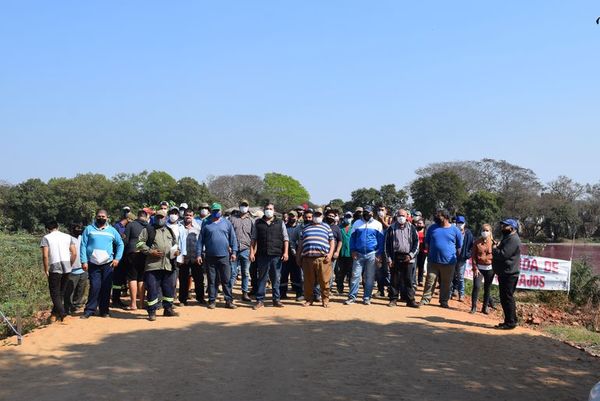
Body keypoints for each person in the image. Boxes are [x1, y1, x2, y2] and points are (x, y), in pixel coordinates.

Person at [80, 210, 124, 319]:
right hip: (93, 263)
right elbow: (83, 245)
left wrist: (117, 259)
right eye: (99, 216)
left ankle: (104, 310)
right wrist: (84, 260)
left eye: (103, 216)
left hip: (107, 263)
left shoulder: (112, 231)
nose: (101, 218)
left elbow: (120, 244)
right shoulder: (89, 229)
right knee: (95, 286)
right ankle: (90, 310)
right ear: (96, 217)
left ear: (107, 217)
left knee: (106, 287)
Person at [136, 209, 179, 321]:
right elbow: (140, 243)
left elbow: (175, 244)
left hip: (168, 265)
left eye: (162, 217)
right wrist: (151, 251)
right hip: (153, 265)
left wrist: (176, 251)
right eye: (158, 217)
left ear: (166, 218)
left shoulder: (169, 230)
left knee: (168, 289)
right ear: (155, 218)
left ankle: (168, 309)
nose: (160, 219)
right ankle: (152, 311)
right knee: (152, 289)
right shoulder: (148, 230)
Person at [195, 202, 238, 309]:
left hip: (224, 256)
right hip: (210, 256)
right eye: (214, 211)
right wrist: (198, 254)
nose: (216, 212)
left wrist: (234, 252)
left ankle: (229, 301)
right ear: (211, 211)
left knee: (226, 280)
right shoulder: (206, 223)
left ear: (221, 211)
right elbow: (200, 240)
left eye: (218, 210)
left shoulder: (226, 223)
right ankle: (212, 300)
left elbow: (233, 238)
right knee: (212, 280)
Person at [419, 209, 462, 308]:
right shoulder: (432, 228)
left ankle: (444, 301)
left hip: (448, 263)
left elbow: (459, 247)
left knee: (446, 283)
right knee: (430, 281)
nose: (436, 218)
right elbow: (426, 243)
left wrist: (457, 260)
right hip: (433, 261)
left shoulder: (455, 230)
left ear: (446, 217)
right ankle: (425, 299)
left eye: (439, 216)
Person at [250, 202, 289, 309]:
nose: (269, 210)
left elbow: (286, 239)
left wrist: (285, 252)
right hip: (262, 255)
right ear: (263, 210)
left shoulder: (280, 222)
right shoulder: (258, 223)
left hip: (276, 255)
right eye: (267, 208)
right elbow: (253, 239)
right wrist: (252, 252)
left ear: (274, 210)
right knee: (262, 278)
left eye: (270, 208)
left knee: (276, 278)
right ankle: (260, 300)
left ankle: (276, 300)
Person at [344, 207, 384, 305]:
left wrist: (379, 254)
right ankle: (352, 297)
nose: (367, 214)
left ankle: (367, 297)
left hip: (372, 254)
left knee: (369, 277)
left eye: (369, 212)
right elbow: (352, 239)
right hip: (358, 254)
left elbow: (381, 241)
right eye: (365, 212)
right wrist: (352, 250)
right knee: (355, 276)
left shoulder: (377, 224)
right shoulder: (357, 223)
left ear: (372, 213)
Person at [296, 208, 335, 307]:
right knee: (308, 281)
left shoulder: (327, 227)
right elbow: (300, 243)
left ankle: (325, 300)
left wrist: (330, 254)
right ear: (313, 216)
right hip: (307, 258)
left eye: (319, 215)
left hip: (323, 258)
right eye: (316, 215)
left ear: (322, 216)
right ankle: (309, 300)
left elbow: (332, 241)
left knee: (324, 281)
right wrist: (298, 256)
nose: (317, 217)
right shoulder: (305, 227)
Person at [41, 220, 77, 322]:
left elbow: (45, 255)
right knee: (61, 291)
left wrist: (45, 269)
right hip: (67, 265)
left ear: (47, 229)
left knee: (54, 292)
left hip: (55, 265)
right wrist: (70, 264)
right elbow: (74, 253)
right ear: (58, 227)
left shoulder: (46, 238)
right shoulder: (67, 236)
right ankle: (55, 314)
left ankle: (62, 313)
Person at [384, 209, 420, 308]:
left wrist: (411, 255)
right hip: (395, 256)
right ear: (396, 216)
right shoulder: (391, 228)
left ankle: (410, 300)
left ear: (407, 216)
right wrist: (389, 259)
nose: (401, 217)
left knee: (409, 280)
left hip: (408, 257)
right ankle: (393, 299)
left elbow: (417, 243)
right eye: (399, 215)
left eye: (403, 215)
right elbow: (386, 245)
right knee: (394, 279)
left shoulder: (412, 228)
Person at [492, 219, 521, 329]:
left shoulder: (513, 239)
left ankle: (510, 322)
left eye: (505, 226)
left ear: (512, 228)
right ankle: (511, 319)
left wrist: (494, 249)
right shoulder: (508, 238)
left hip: (509, 273)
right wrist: (499, 245)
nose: (503, 227)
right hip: (506, 272)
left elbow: (503, 254)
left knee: (507, 298)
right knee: (506, 297)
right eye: (502, 225)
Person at [178, 209, 205, 305]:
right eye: (186, 215)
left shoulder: (198, 227)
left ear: (193, 216)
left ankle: (200, 298)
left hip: (196, 256)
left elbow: (201, 241)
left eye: (190, 215)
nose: (188, 216)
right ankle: (182, 300)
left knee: (199, 279)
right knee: (183, 279)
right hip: (183, 257)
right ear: (183, 216)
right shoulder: (179, 226)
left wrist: (200, 254)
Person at [123, 209, 149, 310]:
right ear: (146, 217)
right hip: (144, 254)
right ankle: (141, 304)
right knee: (141, 278)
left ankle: (133, 304)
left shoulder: (131, 225)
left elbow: (125, 240)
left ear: (137, 216)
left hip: (132, 253)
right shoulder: (148, 226)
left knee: (132, 278)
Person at [229, 199, 255, 302]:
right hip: (233, 250)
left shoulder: (252, 221)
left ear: (248, 207)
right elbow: (227, 233)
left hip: (246, 249)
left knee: (245, 272)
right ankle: (229, 292)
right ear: (239, 206)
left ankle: (245, 293)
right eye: (242, 205)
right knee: (233, 273)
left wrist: (252, 251)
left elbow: (254, 238)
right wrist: (229, 246)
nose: (244, 207)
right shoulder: (232, 219)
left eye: (246, 205)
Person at [470, 223, 495, 314]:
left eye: (487, 230)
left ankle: (485, 308)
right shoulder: (477, 242)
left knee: (487, 288)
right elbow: (473, 256)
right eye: (483, 230)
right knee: (476, 286)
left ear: (490, 232)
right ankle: (473, 307)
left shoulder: (493, 243)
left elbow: (496, 257)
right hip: (479, 269)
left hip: (490, 269)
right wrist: (475, 268)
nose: (485, 232)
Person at [64, 223, 87, 315]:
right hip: (72, 269)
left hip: (83, 268)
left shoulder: (83, 238)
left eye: (80, 228)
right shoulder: (68, 239)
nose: (79, 229)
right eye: (77, 228)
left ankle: (76, 305)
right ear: (72, 229)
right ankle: (67, 307)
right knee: (70, 289)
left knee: (81, 288)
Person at [111, 212, 133, 309]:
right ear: (128, 219)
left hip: (123, 257)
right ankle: (115, 300)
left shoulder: (126, 228)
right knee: (116, 279)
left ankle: (117, 299)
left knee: (120, 280)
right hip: (116, 258)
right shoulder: (116, 227)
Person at [280, 211, 304, 301]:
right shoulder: (283, 227)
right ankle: (282, 293)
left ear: (297, 217)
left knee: (297, 275)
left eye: (293, 216)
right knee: (283, 275)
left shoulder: (300, 228)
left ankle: (299, 294)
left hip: (296, 255)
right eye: (290, 216)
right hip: (284, 255)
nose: (291, 218)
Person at [450, 215, 474, 302]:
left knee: (460, 276)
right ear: (456, 223)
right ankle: (451, 292)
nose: (460, 224)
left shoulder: (468, 234)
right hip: (452, 257)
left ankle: (462, 294)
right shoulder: (452, 232)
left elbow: (472, 246)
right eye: (458, 223)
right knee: (451, 276)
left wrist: (468, 255)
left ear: (465, 223)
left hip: (462, 258)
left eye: (461, 223)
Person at [335, 211, 354, 294]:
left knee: (351, 272)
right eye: (346, 217)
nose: (348, 219)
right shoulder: (339, 227)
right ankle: (340, 288)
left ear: (352, 218)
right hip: (341, 254)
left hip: (351, 254)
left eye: (349, 217)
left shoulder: (354, 228)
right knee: (340, 272)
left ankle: (351, 289)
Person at [413, 217, 427, 286]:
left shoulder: (426, 231)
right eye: (418, 223)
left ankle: (420, 280)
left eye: (420, 223)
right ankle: (413, 280)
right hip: (415, 250)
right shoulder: (414, 230)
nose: (419, 225)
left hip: (423, 251)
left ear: (424, 224)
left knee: (421, 266)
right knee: (415, 265)